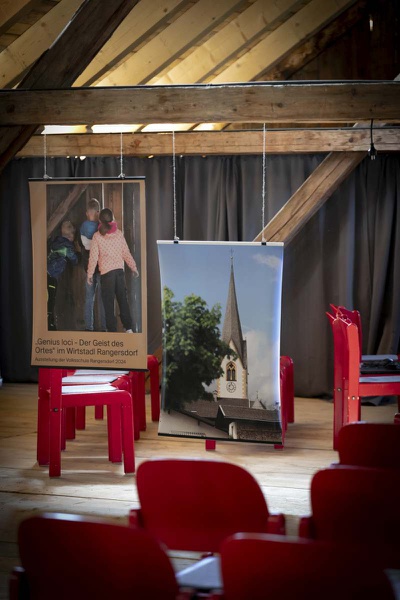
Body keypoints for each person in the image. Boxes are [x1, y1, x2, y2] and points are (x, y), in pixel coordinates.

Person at [87, 208, 139, 333]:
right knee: (123, 301)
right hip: (119, 273)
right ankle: (129, 328)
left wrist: (89, 274)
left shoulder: (97, 236)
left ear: (100, 221)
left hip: (107, 275)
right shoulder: (119, 234)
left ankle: (112, 331)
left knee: (108, 305)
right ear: (113, 219)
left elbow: (93, 257)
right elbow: (126, 253)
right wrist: (134, 268)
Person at [80, 198, 106, 331]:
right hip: (101, 268)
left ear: (86, 213)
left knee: (89, 298)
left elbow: (82, 245)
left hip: (89, 267)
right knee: (103, 299)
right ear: (98, 212)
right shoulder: (102, 227)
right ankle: (104, 327)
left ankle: (88, 327)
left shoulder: (83, 227)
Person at [47, 220, 78, 330]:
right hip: (53, 274)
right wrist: (78, 256)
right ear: (70, 236)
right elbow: (74, 259)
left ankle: (49, 321)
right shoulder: (67, 246)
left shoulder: (55, 241)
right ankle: (50, 323)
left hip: (47, 270)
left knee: (48, 297)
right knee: (52, 298)